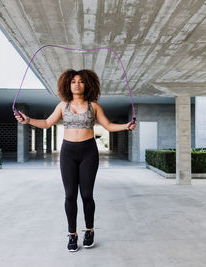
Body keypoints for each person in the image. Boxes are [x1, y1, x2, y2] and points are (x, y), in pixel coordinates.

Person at [13, 69, 137, 252]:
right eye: (73, 81)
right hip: (68, 153)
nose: (77, 84)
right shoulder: (63, 105)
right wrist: (27, 120)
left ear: (87, 84)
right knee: (70, 195)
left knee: (86, 195)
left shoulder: (93, 106)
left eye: (80, 81)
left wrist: (127, 126)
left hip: (88, 152)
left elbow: (108, 126)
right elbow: (47, 123)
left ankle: (89, 230)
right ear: (67, 85)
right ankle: (72, 235)